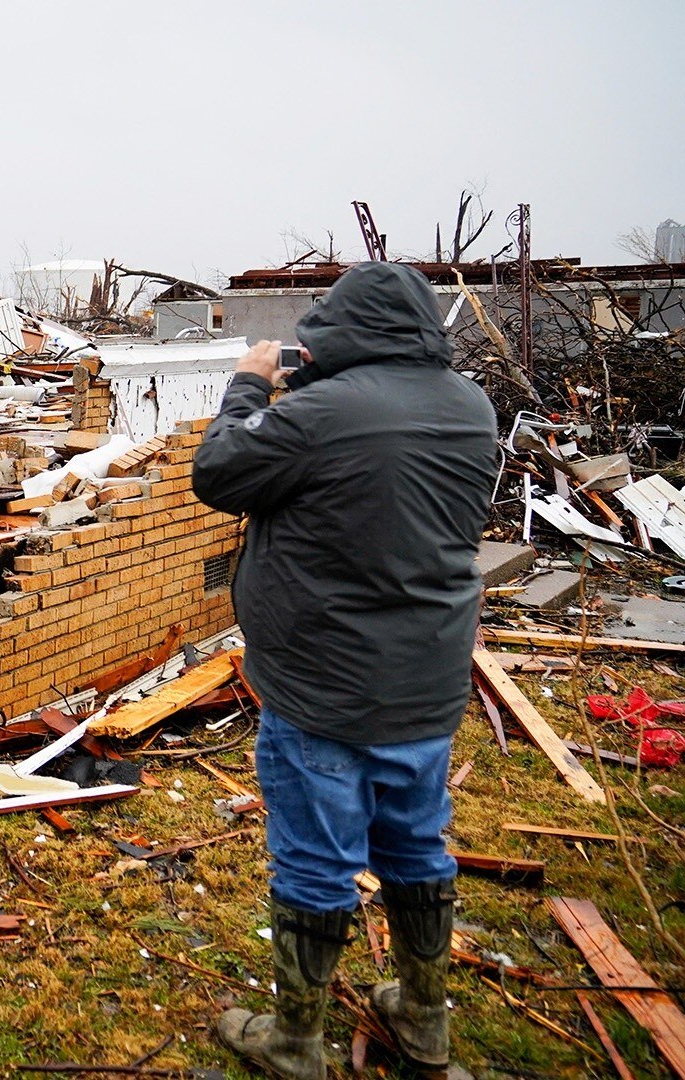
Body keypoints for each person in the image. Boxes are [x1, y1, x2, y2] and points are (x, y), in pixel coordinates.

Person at [192, 261, 498, 1079]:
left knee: (316, 858)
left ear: (343, 333)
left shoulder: (324, 413)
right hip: (428, 682)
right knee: (415, 846)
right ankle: (424, 1021)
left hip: (325, 685)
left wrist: (249, 386)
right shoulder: (472, 407)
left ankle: (295, 1042)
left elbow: (218, 472)